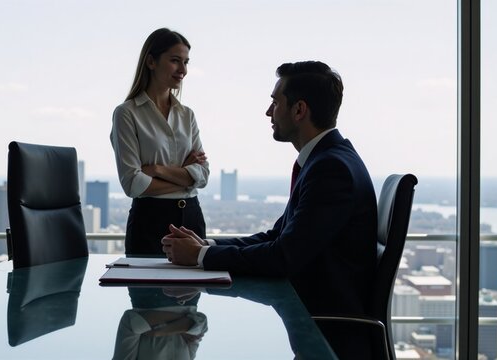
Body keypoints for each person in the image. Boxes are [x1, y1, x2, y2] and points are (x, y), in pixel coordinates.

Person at [160, 61, 378, 359]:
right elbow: (277, 237)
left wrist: (199, 257)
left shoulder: (331, 168)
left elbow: (283, 257)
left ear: (299, 110)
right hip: (309, 318)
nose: (268, 112)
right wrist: (206, 246)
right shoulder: (326, 160)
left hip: (326, 332)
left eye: (275, 102)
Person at [111, 28, 209, 256]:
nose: (183, 70)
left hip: (191, 219)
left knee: (192, 290)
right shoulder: (126, 114)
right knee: (146, 291)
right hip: (149, 220)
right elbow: (133, 184)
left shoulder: (187, 115)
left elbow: (203, 175)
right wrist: (186, 177)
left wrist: (156, 170)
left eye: (186, 62)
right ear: (151, 61)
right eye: (175, 61)